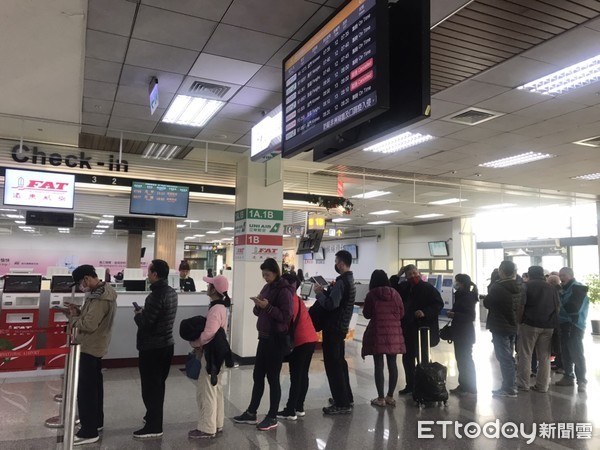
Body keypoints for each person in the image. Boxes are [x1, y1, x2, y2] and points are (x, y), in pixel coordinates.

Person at [233, 258, 293, 431]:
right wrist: (258, 305)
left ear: (275, 273)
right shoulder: (267, 288)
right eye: (263, 275)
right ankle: (252, 412)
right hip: (264, 338)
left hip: (276, 340)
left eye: (267, 274)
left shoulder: (284, 291)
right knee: (257, 375)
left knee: (273, 378)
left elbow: (286, 316)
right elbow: (258, 312)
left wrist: (267, 307)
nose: (265, 278)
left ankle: (272, 416)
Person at [68, 265, 117, 446]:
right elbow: (91, 318)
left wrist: (72, 318)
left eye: (81, 282)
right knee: (95, 387)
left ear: (87, 278)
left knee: (86, 390)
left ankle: (89, 431)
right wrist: (79, 312)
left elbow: (89, 325)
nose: (81, 286)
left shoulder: (99, 298)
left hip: (90, 346)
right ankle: (96, 422)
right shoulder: (103, 292)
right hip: (96, 345)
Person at [133, 259, 178, 439]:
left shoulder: (155, 295)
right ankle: (152, 416)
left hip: (152, 348)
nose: (147, 274)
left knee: (150, 387)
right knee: (158, 385)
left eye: (149, 272)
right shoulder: (171, 292)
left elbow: (146, 325)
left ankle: (154, 426)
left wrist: (138, 315)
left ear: (156, 274)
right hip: (167, 345)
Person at [188, 275, 231, 439]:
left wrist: (195, 343)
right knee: (216, 389)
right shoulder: (222, 307)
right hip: (219, 355)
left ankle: (207, 428)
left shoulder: (215, 309)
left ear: (215, 290)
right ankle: (217, 423)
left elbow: (208, 334)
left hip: (211, 354)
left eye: (210, 285)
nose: (208, 287)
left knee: (206, 391)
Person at [313, 249, 356, 415]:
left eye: (337, 261)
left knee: (333, 365)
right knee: (340, 362)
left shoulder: (341, 282)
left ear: (342, 263)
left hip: (334, 327)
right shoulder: (349, 280)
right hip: (341, 327)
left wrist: (319, 294)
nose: (336, 265)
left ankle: (341, 403)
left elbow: (331, 304)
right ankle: (346, 397)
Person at [396, 265, 444, 395]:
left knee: (422, 358)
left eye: (414, 273)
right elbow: (392, 288)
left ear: (419, 272)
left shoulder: (428, 288)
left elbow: (438, 304)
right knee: (407, 358)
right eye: (409, 274)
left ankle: (425, 385)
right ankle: (410, 385)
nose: (412, 276)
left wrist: (425, 312)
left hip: (423, 330)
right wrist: (397, 275)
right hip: (408, 329)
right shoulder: (405, 287)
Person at [277, 273, 318, 420]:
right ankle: (299, 407)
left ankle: (290, 410)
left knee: (296, 376)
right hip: (311, 339)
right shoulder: (298, 299)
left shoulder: (288, 300)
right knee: (303, 374)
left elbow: (285, 321)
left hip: (300, 341)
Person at [361, 269, 405, 407]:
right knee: (393, 365)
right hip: (394, 334)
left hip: (378, 333)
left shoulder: (372, 295)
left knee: (378, 365)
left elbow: (367, 314)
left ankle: (380, 398)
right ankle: (390, 396)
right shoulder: (396, 294)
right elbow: (402, 313)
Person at [516, 266, 560, 393]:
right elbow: (557, 307)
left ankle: (523, 384)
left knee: (525, 354)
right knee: (545, 357)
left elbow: (521, 305)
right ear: (542, 274)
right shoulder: (552, 288)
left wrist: (519, 321)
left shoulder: (526, 286)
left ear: (530, 274)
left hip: (530, 324)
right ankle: (542, 386)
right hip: (548, 326)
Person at [484, 260, 522, 398]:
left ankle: (509, 387)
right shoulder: (520, 285)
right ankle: (511, 383)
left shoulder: (497, 287)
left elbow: (487, 302)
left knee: (504, 357)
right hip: (513, 325)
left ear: (501, 270)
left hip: (499, 326)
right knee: (509, 355)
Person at [555, 267, 589, 392]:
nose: (561, 278)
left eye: (563, 275)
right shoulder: (563, 289)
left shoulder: (578, 288)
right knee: (565, 352)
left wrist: (559, 305)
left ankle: (582, 381)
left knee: (576, 353)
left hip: (574, 325)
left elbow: (573, 308)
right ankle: (568, 376)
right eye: (560, 275)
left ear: (571, 275)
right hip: (563, 324)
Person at [447, 273, 478, 395]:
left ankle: (470, 387)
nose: (455, 284)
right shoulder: (461, 295)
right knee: (461, 359)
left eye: (456, 281)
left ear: (462, 284)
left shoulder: (467, 297)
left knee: (465, 360)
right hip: (460, 333)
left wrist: (455, 315)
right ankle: (464, 385)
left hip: (464, 334)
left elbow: (471, 316)